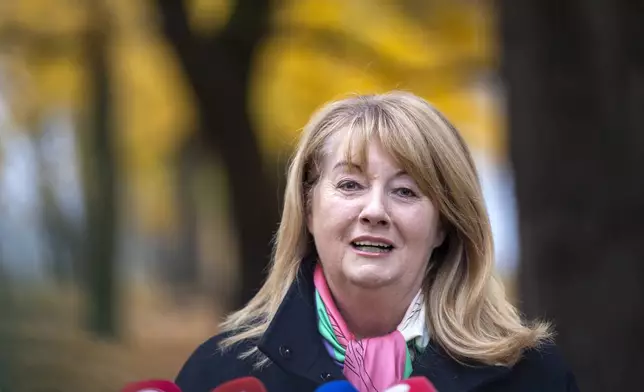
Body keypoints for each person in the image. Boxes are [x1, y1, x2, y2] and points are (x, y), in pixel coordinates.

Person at [176, 92, 579, 392]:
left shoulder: (531, 376)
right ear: (309, 210)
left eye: (405, 191)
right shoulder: (220, 373)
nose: (375, 211)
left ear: (444, 225)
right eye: (350, 185)